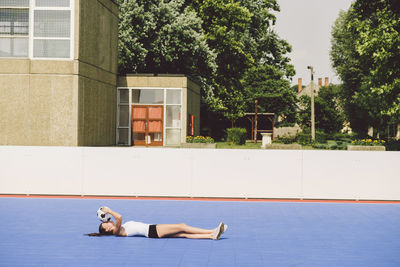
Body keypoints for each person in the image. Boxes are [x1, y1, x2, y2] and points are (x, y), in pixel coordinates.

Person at [88, 207, 227, 240]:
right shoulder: (116, 231)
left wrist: (107, 217)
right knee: (182, 226)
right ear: (107, 230)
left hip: (153, 231)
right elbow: (120, 217)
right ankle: (211, 230)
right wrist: (109, 210)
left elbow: (117, 219)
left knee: (183, 234)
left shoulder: (117, 229)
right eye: (107, 224)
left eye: (108, 222)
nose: (109, 222)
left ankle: (211, 236)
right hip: (152, 230)